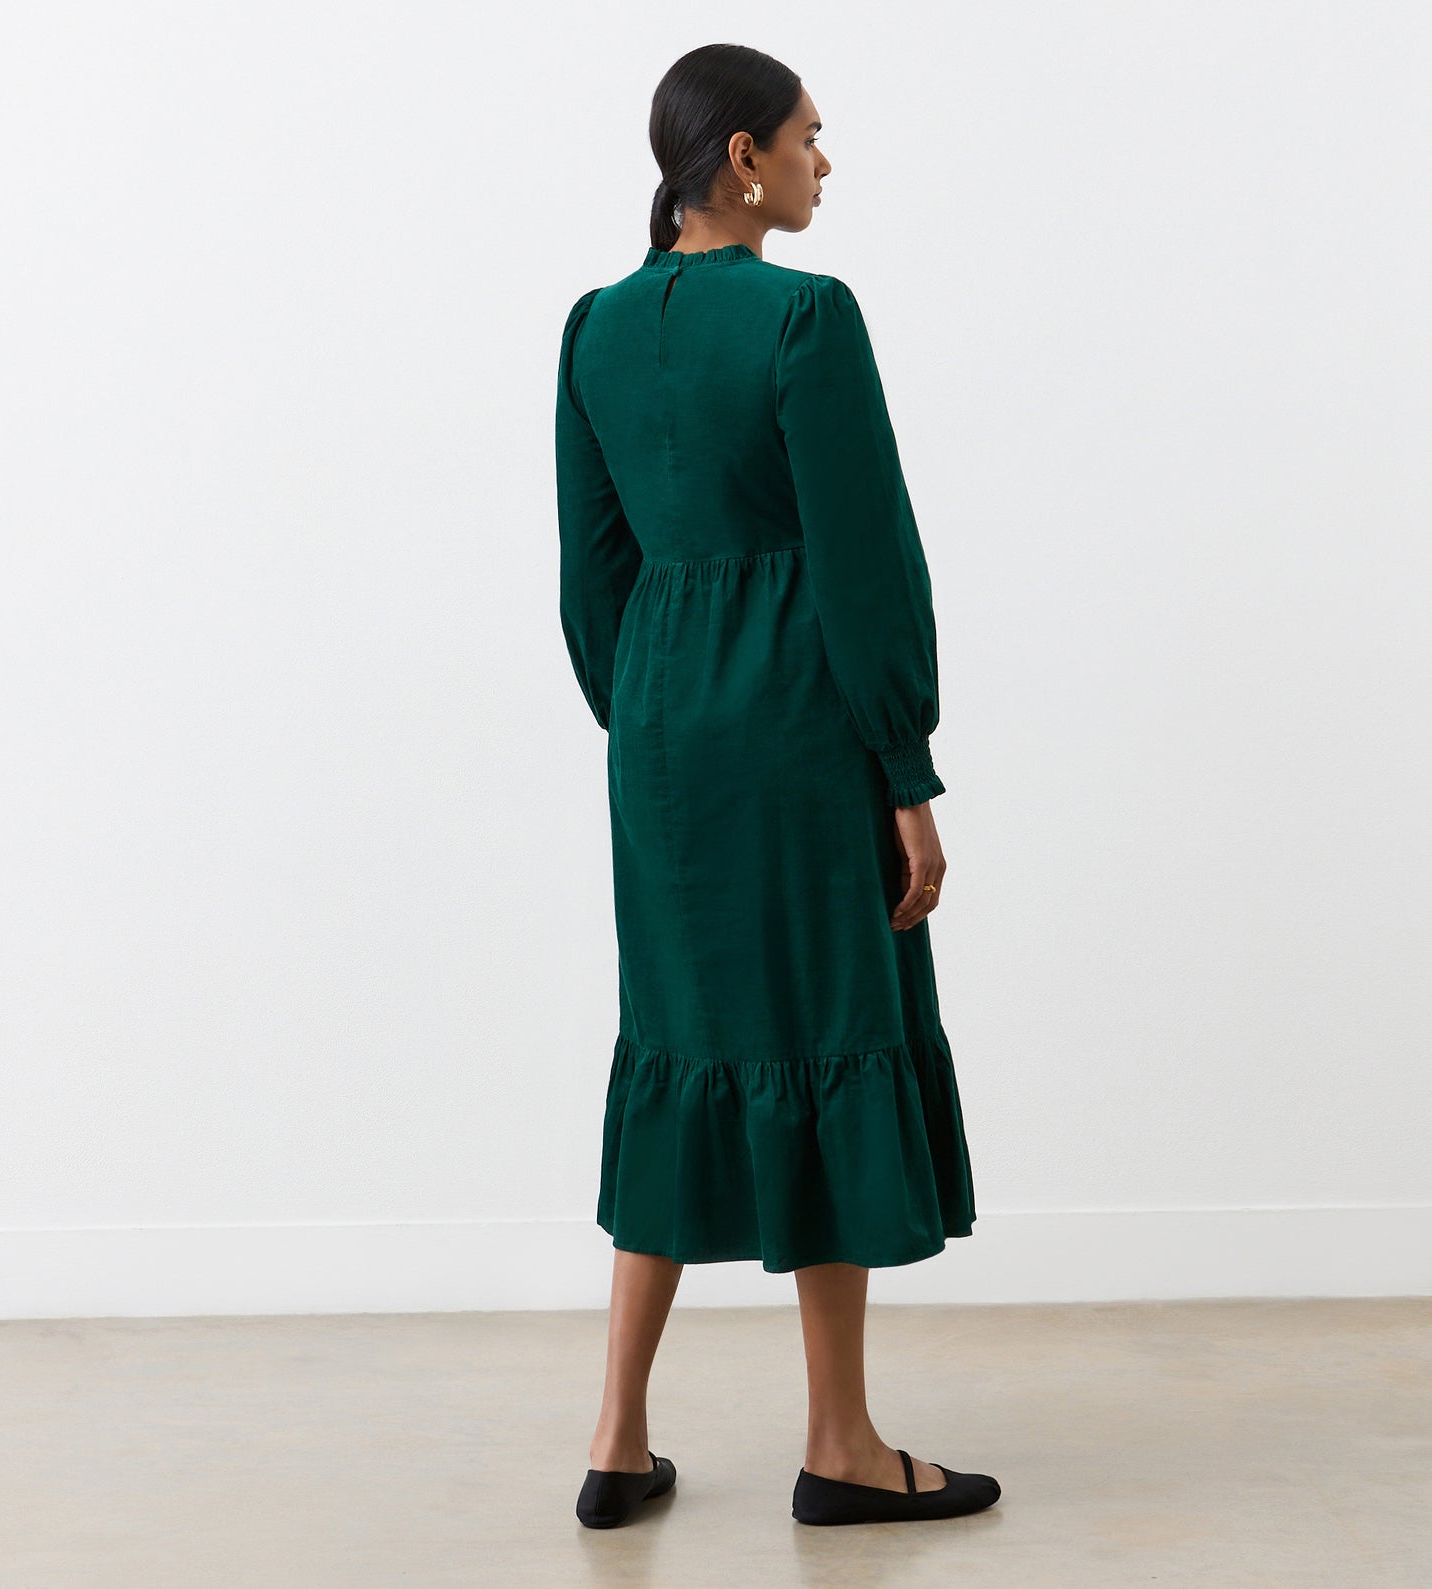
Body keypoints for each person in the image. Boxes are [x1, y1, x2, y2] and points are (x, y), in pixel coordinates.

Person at [557, 43, 1001, 1529]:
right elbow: (866, 567)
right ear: (741, 156)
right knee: (825, 1031)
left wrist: (655, 716)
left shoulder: (592, 330)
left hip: (663, 738)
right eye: (813, 138)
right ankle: (842, 1442)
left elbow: (591, 575)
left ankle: (617, 1439)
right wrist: (904, 766)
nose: (826, 163)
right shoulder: (807, 315)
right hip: (802, 727)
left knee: (677, 1042)